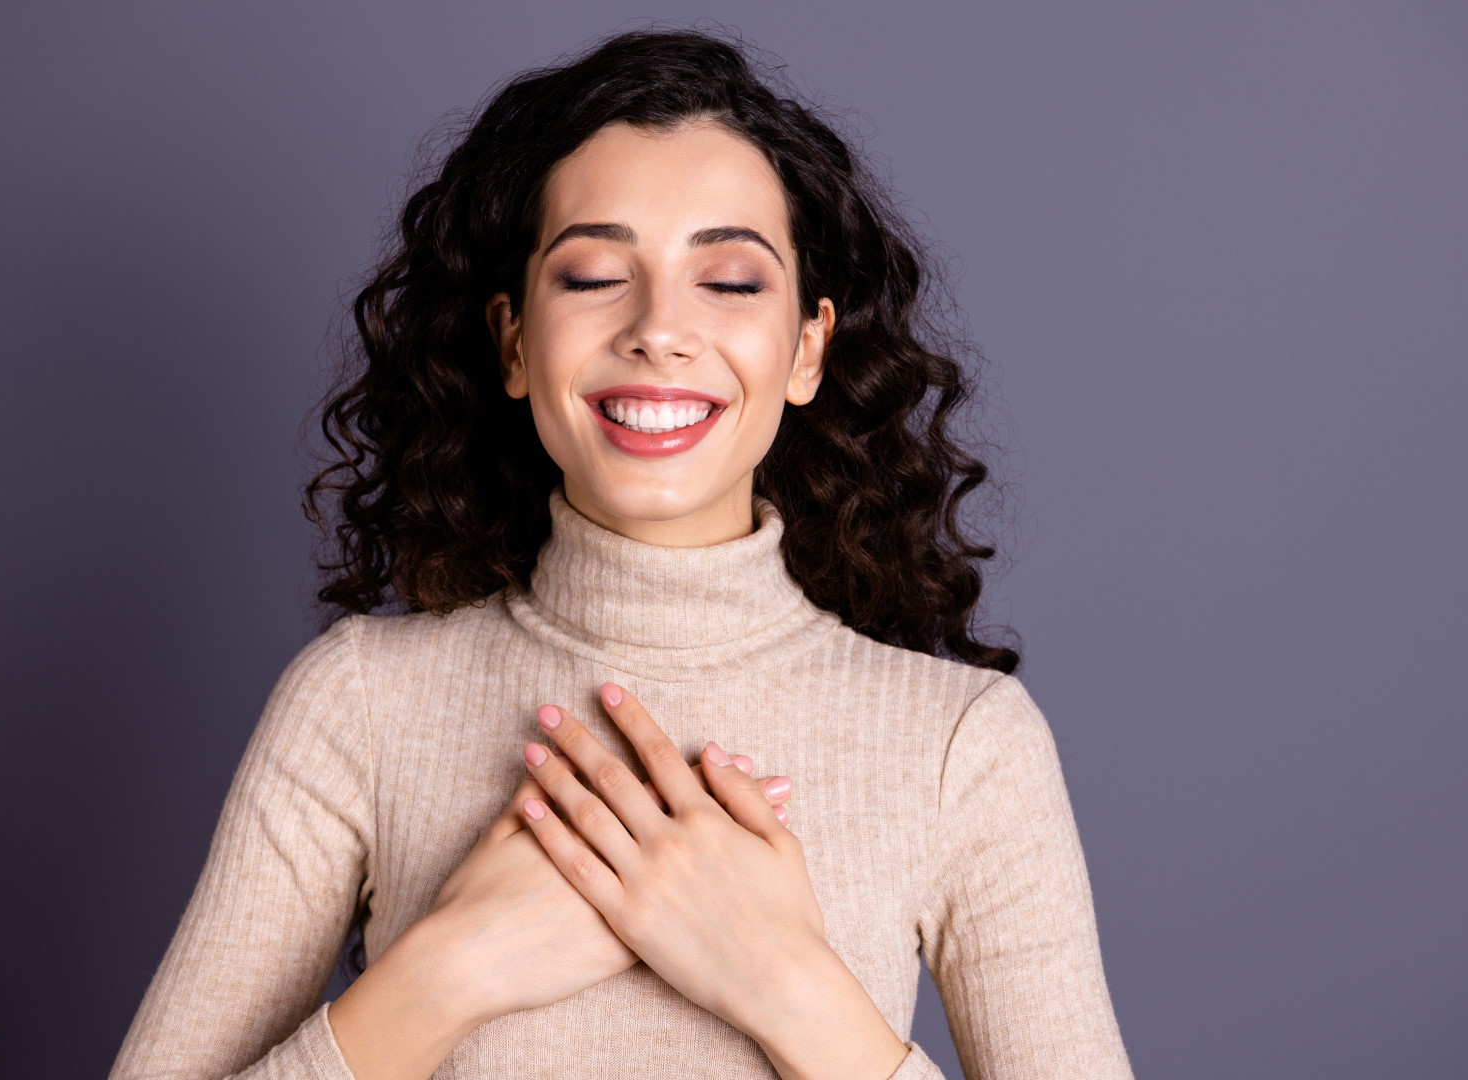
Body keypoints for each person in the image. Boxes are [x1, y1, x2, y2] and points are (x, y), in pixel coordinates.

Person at [109, 26, 1135, 1080]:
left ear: (808, 350)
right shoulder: (359, 706)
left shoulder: (965, 744)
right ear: (514, 343)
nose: (658, 327)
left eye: (730, 283)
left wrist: (788, 986)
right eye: (595, 274)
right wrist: (444, 972)